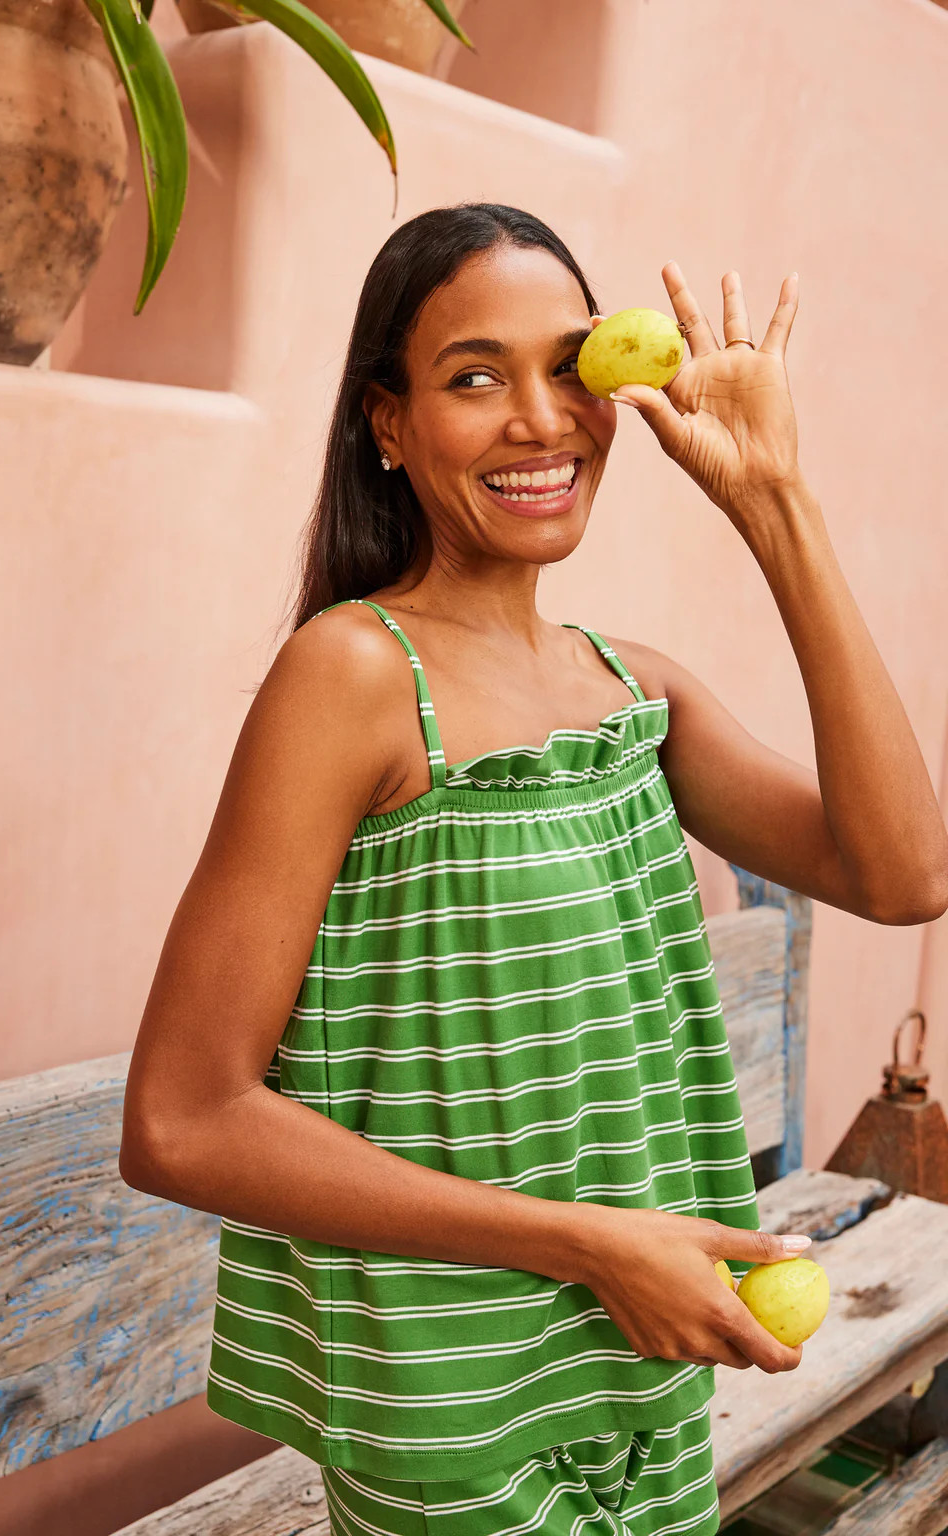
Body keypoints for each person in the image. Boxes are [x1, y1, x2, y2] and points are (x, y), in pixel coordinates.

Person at [118, 203, 948, 1536]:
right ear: (389, 424)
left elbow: (904, 875)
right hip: (462, 1417)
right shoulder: (353, 676)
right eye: (473, 378)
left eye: (569, 367)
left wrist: (774, 501)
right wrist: (594, 1246)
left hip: (647, 1376)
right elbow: (183, 1119)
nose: (542, 418)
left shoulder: (634, 691)